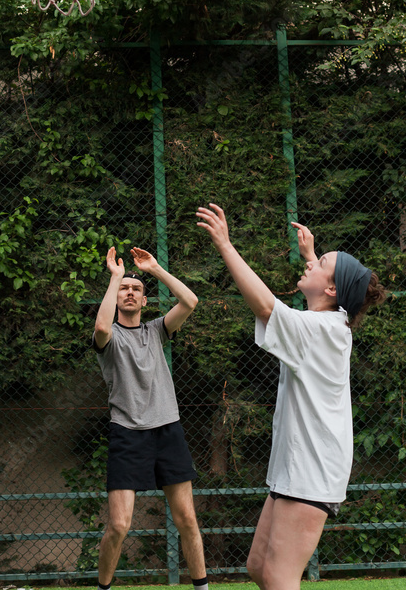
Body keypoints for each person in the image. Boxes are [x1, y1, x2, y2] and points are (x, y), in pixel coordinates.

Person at [196, 203, 386, 590]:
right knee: (257, 567)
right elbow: (321, 300)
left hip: (313, 471)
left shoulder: (325, 330)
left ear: (333, 289)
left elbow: (267, 306)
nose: (311, 265)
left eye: (320, 264)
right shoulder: (325, 322)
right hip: (297, 467)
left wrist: (225, 244)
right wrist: (313, 257)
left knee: (280, 579)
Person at [93, 245, 208, 590]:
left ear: (144, 301)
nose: (130, 292)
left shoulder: (157, 330)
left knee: (187, 518)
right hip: (127, 434)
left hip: (167, 430)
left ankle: (202, 587)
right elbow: (100, 327)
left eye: (136, 289)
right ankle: (103, 588)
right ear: (116, 298)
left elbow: (190, 302)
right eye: (125, 289)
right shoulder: (110, 340)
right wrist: (116, 276)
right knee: (118, 525)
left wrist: (155, 270)